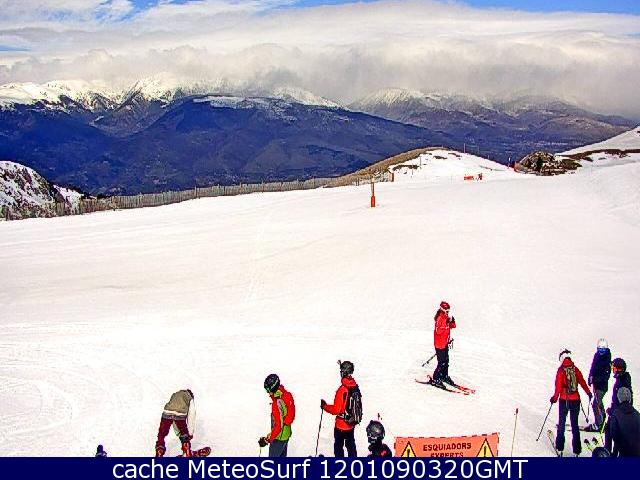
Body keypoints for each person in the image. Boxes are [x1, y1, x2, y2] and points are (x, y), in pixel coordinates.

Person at [550, 349, 592, 457]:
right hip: (575, 400)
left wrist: (554, 399)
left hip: (564, 400)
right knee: (574, 425)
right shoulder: (575, 369)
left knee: (562, 424)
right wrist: (588, 393)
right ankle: (577, 451)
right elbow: (582, 382)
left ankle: (560, 448)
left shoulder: (561, 370)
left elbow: (558, 387)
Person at [321, 360, 361, 457]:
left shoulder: (342, 390)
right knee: (351, 446)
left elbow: (336, 410)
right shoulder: (355, 387)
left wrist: (325, 406)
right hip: (351, 423)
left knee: (338, 448)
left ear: (344, 373)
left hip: (341, 425)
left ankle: (340, 464)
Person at [259, 374, 295, 457]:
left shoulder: (276, 404)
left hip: (278, 438)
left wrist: (266, 440)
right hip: (286, 435)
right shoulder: (287, 395)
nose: (268, 393)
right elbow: (291, 416)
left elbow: (278, 427)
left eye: (268, 390)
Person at [155, 389, 195, 457]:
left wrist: (178, 432)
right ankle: (187, 451)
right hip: (180, 413)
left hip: (167, 412)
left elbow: (173, 418)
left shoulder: (175, 394)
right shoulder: (190, 398)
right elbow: (191, 415)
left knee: (162, 434)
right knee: (183, 432)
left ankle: (159, 451)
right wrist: (190, 433)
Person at [606, 387, 640, 457]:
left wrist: (614, 453)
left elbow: (614, 435)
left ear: (619, 399)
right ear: (629, 399)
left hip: (624, 452)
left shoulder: (616, 414)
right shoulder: (637, 414)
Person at [586, 338, 612, 431]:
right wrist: (590, 377)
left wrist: (595, 379)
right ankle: (603, 421)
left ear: (606, 349)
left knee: (595, 404)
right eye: (599, 349)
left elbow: (605, 376)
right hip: (596, 385)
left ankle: (599, 424)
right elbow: (593, 367)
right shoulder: (596, 356)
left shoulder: (607, 360)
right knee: (599, 403)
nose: (601, 352)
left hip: (602, 387)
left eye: (603, 350)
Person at [432, 301, 456, 386]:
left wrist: (452, 322)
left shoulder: (446, 317)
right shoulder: (440, 318)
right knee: (441, 362)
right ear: (442, 309)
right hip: (439, 345)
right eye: (447, 310)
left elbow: (452, 326)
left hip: (445, 343)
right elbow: (438, 330)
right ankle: (436, 378)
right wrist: (446, 324)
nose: (448, 312)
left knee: (446, 361)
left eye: (448, 310)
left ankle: (444, 376)